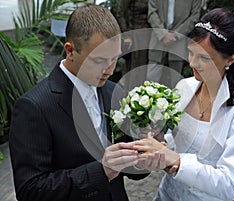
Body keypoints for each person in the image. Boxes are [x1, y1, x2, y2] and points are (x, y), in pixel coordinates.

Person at [9, 5, 158, 201]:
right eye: (98, 61)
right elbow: (30, 190)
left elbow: (128, 163)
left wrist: (144, 159)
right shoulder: (34, 106)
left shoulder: (113, 91)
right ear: (70, 51)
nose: (110, 70)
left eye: (114, 59)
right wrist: (101, 170)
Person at [133, 8, 234, 201]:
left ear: (230, 59)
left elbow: (228, 185)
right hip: (166, 195)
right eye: (191, 53)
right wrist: (158, 138)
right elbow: (174, 139)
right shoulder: (184, 86)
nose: (192, 63)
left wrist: (176, 161)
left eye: (204, 58)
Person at [146, 0, 202, 86]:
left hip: (179, 41)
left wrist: (176, 35)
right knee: (151, 80)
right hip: (158, 39)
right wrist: (163, 34)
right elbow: (152, 12)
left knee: (176, 82)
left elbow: (194, 16)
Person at [116, 0, 151, 90]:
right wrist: (127, 34)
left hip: (151, 35)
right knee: (135, 70)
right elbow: (120, 14)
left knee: (147, 70)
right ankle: (132, 98)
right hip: (136, 36)